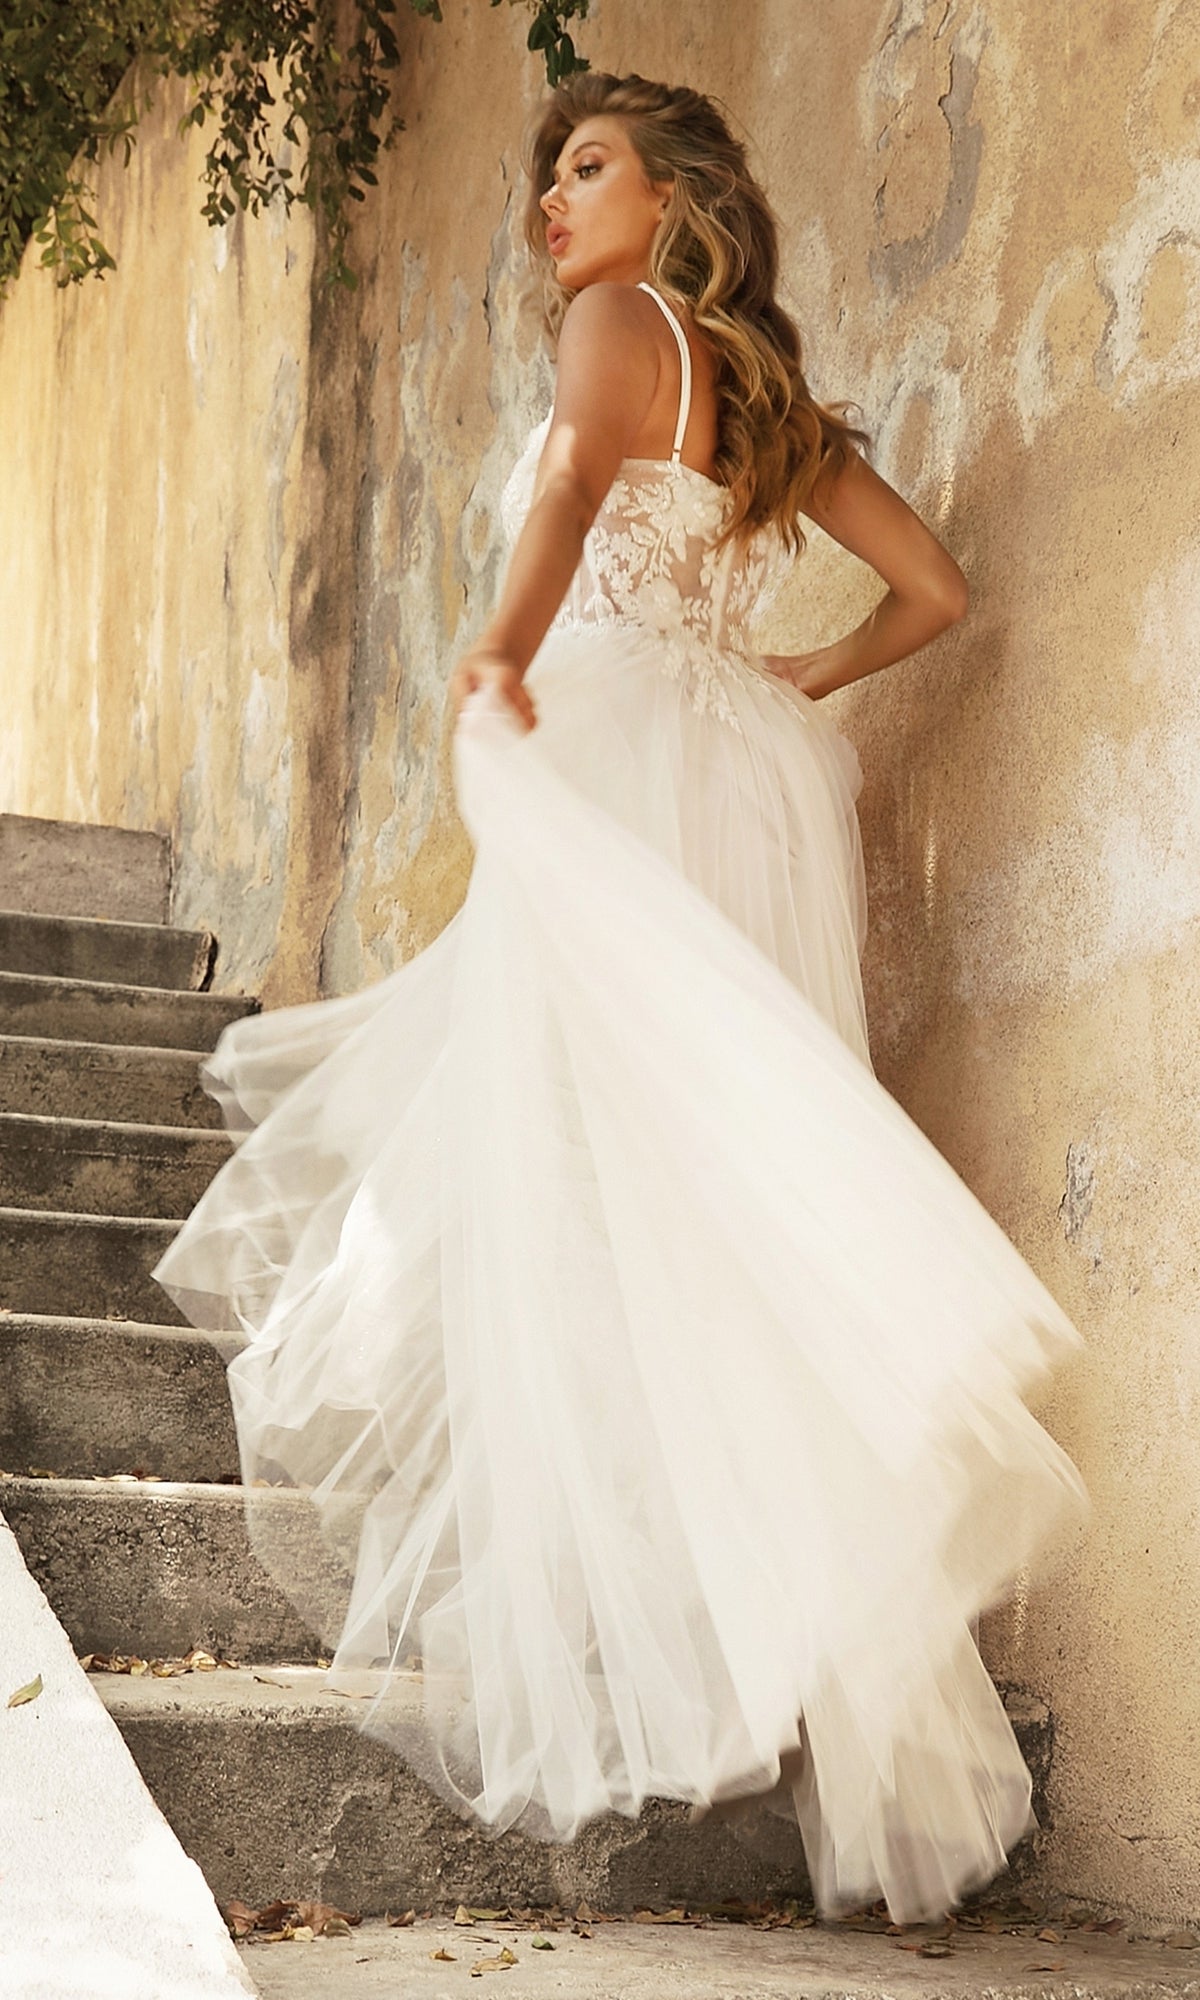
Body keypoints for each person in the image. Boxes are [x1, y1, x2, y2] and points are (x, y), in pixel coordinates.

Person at [154, 72, 1087, 1927]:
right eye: (544, 182)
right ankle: (754, 1602)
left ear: (677, 197)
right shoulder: (771, 400)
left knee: (595, 1158)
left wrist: (500, 641)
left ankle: (638, 1609)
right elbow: (939, 589)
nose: (551, 207)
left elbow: (578, 482)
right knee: (704, 1179)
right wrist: (800, 672)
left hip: (635, 749)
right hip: (743, 769)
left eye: (585, 167)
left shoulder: (610, 324)